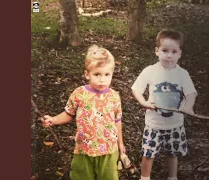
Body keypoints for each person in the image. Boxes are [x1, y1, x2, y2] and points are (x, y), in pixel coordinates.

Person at [41, 44, 125, 180]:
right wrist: (54, 119)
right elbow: (68, 114)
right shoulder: (79, 94)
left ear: (112, 74)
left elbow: (117, 121)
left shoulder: (114, 96)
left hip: (108, 150)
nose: (102, 79)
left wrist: (120, 144)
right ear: (87, 74)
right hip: (83, 149)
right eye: (97, 74)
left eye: (107, 74)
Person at [131, 29, 198, 180]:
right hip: (153, 124)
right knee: (148, 154)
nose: (169, 55)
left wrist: (188, 106)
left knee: (173, 154)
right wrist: (144, 102)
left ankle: (172, 177)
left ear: (180, 53)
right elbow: (136, 88)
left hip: (175, 125)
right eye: (165, 50)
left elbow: (191, 93)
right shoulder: (150, 71)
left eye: (174, 52)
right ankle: (145, 177)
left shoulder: (182, 74)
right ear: (157, 51)